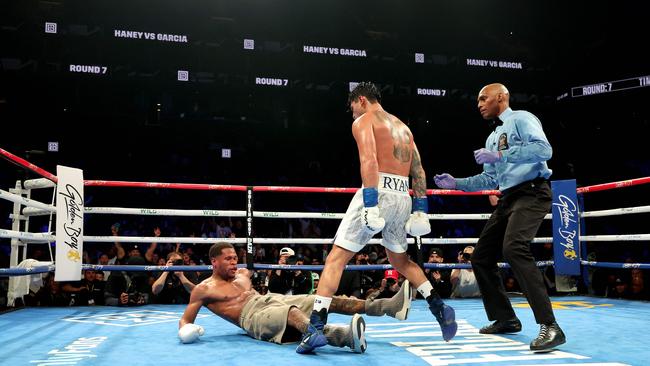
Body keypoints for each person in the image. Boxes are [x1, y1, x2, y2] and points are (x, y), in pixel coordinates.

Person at [298, 82, 457, 354]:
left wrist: (370, 203)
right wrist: (421, 208)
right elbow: (418, 171)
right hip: (403, 197)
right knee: (400, 260)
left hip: (377, 191)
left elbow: (369, 160)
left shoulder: (364, 121)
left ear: (361, 100)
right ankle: (439, 308)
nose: (352, 114)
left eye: (352, 108)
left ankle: (315, 327)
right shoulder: (404, 128)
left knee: (336, 258)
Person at [433, 83, 565, 352]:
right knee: (481, 256)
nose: (479, 104)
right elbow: (489, 178)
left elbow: (544, 150)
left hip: (532, 192)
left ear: (502, 97)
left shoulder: (522, 119)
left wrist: (502, 154)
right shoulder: (492, 137)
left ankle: (551, 326)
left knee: (514, 248)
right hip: (507, 198)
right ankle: (505, 318)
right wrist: (456, 183)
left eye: (484, 98)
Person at [178, 243, 412, 354]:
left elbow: (274, 277)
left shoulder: (242, 274)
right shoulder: (204, 289)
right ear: (214, 262)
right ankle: (334, 336)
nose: (233, 262)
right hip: (251, 317)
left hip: (270, 299)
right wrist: (187, 330)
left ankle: (389, 307)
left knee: (323, 299)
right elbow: (185, 320)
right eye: (228, 259)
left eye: (234, 258)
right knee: (290, 314)